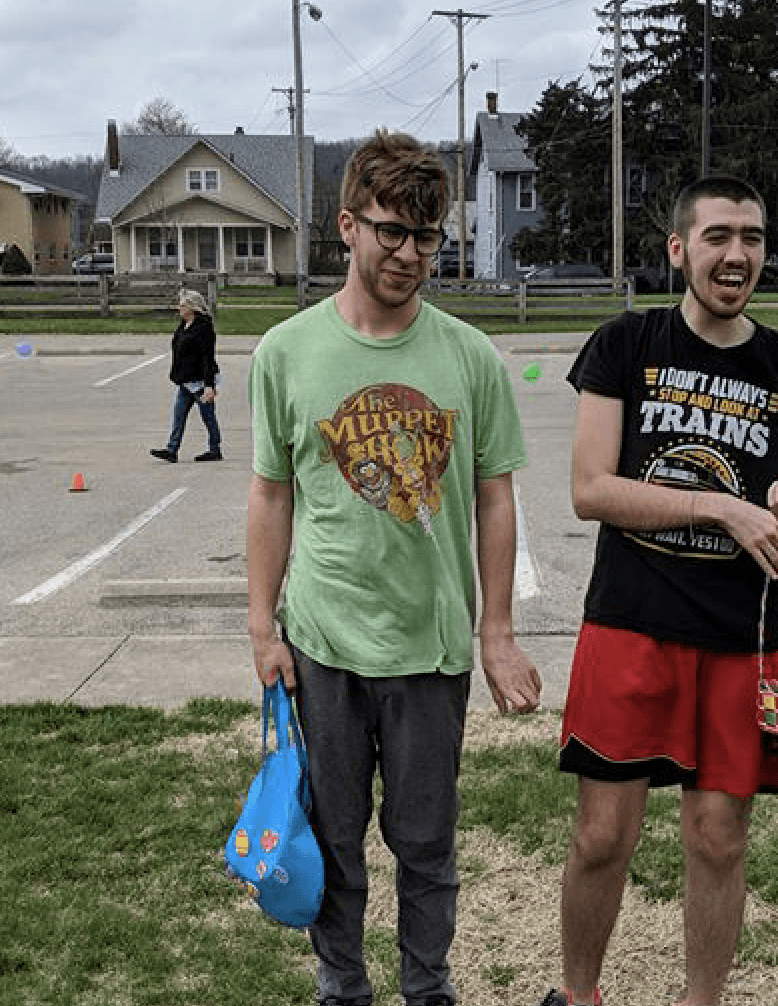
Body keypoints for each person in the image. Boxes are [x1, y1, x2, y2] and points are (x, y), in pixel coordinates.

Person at [246, 129, 542, 1006]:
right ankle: (342, 987)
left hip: (431, 651)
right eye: (392, 231)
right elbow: (271, 499)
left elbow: (496, 498)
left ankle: (428, 988)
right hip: (325, 649)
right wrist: (263, 628)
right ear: (347, 225)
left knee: (426, 845)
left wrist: (497, 632)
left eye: (428, 237)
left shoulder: (470, 358)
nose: (412, 254)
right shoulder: (286, 354)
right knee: (333, 840)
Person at [536, 176, 778, 1006]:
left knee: (718, 840)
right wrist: (723, 507)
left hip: (744, 636)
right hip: (631, 626)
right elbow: (591, 489)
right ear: (679, 249)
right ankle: (578, 995)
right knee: (602, 836)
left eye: (751, 237)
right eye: (717, 237)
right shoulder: (624, 346)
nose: (735, 254)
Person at [150, 287, 222, 462]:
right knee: (178, 416)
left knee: (208, 417)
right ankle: (171, 450)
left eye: (182, 305)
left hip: (199, 382)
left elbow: (207, 357)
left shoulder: (203, 328)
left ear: (192, 307)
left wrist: (209, 386)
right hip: (185, 381)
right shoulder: (184, 325)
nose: (178, 308)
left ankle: (214, 450)